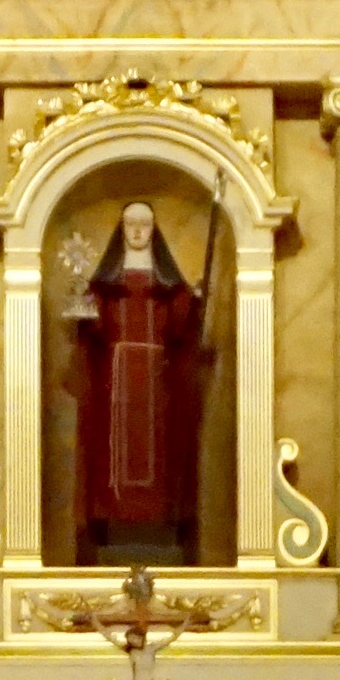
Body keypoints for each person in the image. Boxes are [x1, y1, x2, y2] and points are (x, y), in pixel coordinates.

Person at [63, 197, 208, 558]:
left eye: (145, 224)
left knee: (159, 449)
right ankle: (112, 520)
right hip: (115, 381)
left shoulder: (166, 280)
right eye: (132, 225)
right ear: (123, 230)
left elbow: (179, 325)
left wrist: (195, 300)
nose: (139, 231)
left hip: (157, 381)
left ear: (153, 229)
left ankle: (160, 521)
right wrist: (83, 304)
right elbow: (92, 325)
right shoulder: (108, 279)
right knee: (113, 452)